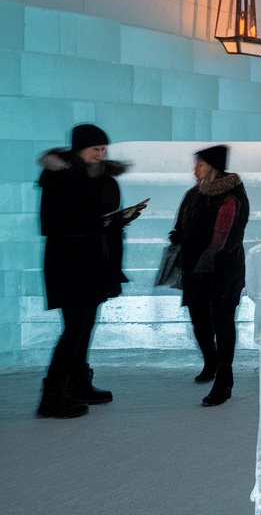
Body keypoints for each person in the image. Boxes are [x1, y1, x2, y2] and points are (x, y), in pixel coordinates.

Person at [35, 123, 142, 418]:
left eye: (104, 149)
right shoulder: (59, 178)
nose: (101, 153)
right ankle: (53, 393)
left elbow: (102, 219)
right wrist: (98, 224)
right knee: (74, 327)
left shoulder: (103, 178)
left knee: (84, 326)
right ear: (79, 148)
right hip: (69, 265)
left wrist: (119, 219)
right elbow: (51, 225)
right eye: (95, 148)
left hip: (96, 263)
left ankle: (78, 383)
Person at [171, 145, 250, 407]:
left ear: (213, 167)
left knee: (223, 322)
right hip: (196, 269)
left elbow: (228, 236)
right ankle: (211, 362)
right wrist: (179, 237)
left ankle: (224, 381)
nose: (195, 169)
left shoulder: (231, 194)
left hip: (223, 270)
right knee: (199, 319)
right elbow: (181, 225)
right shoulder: (193, 194)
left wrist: (205, 256)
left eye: (200, 164)